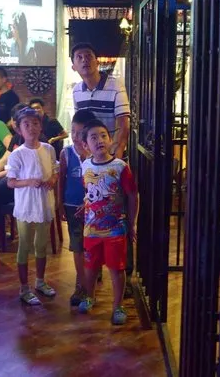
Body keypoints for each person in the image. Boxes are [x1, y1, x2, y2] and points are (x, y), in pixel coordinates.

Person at [71, 42, 135, 296]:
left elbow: (123, 123)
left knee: (119, 217)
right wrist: (88, 159)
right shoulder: (77, 91)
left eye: (89, 55)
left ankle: (125, 276)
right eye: (79, 57)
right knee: (93, 214)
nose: (84, 60)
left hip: (112, 161)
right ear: (74, 66)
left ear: (97, 61)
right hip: (91, 163)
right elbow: (81, 127)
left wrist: (112, 160)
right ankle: (91, 274)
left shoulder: (115, 84)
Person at [77, 119, 138, 325]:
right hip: (91, 230)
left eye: (103, 135)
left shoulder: (120, 167)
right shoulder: (85, 166)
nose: (100, 140)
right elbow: (89, 193)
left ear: (110, 139)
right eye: (93, 137)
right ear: (85, 145)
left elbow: (132, 195)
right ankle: (89, 296)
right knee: (91, 267)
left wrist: (132, 223)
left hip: (115, 229)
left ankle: (118, 306)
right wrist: (85, 204)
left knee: (116, 268)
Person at [6, 107, 58, 305]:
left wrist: (52, 179)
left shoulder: (48, 149)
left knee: (41, 245)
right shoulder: (17, 154)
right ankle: (24, 287)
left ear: (41, 126)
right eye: (26, 124)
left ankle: (40, 281)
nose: (31, 128)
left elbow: (54, 170)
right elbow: (11, 182)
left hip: (44, 203)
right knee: (24, 245)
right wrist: (28, 182)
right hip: (26, 206)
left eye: (35, 123)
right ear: (19, 129)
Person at [58, 109, 94, 306]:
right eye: (73, 131)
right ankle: (81, 284)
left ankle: (92, 279)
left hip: (92, 208)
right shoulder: (66, 153)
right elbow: (61, 180)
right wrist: (60, 204)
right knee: (77, 246)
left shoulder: (96, 156)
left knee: (92, 246)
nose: (75, 136)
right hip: (72, 206)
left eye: (80, 133)